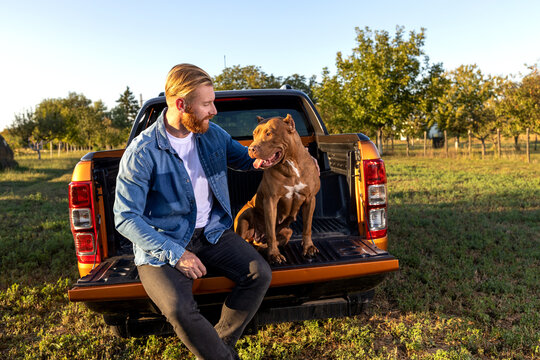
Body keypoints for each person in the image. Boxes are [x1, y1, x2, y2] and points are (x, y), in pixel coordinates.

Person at [114, 64, 272, 360]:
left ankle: (217, 346)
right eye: (207, 104)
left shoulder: (212, 134)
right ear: (181, 104)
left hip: (212, 232)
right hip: (163, 242)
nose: (214, 111)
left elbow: (244, 158)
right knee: (177, 307)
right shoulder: (143, 151)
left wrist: (272, 157)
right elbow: (125, 217)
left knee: (259, 273)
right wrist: (178, 254)